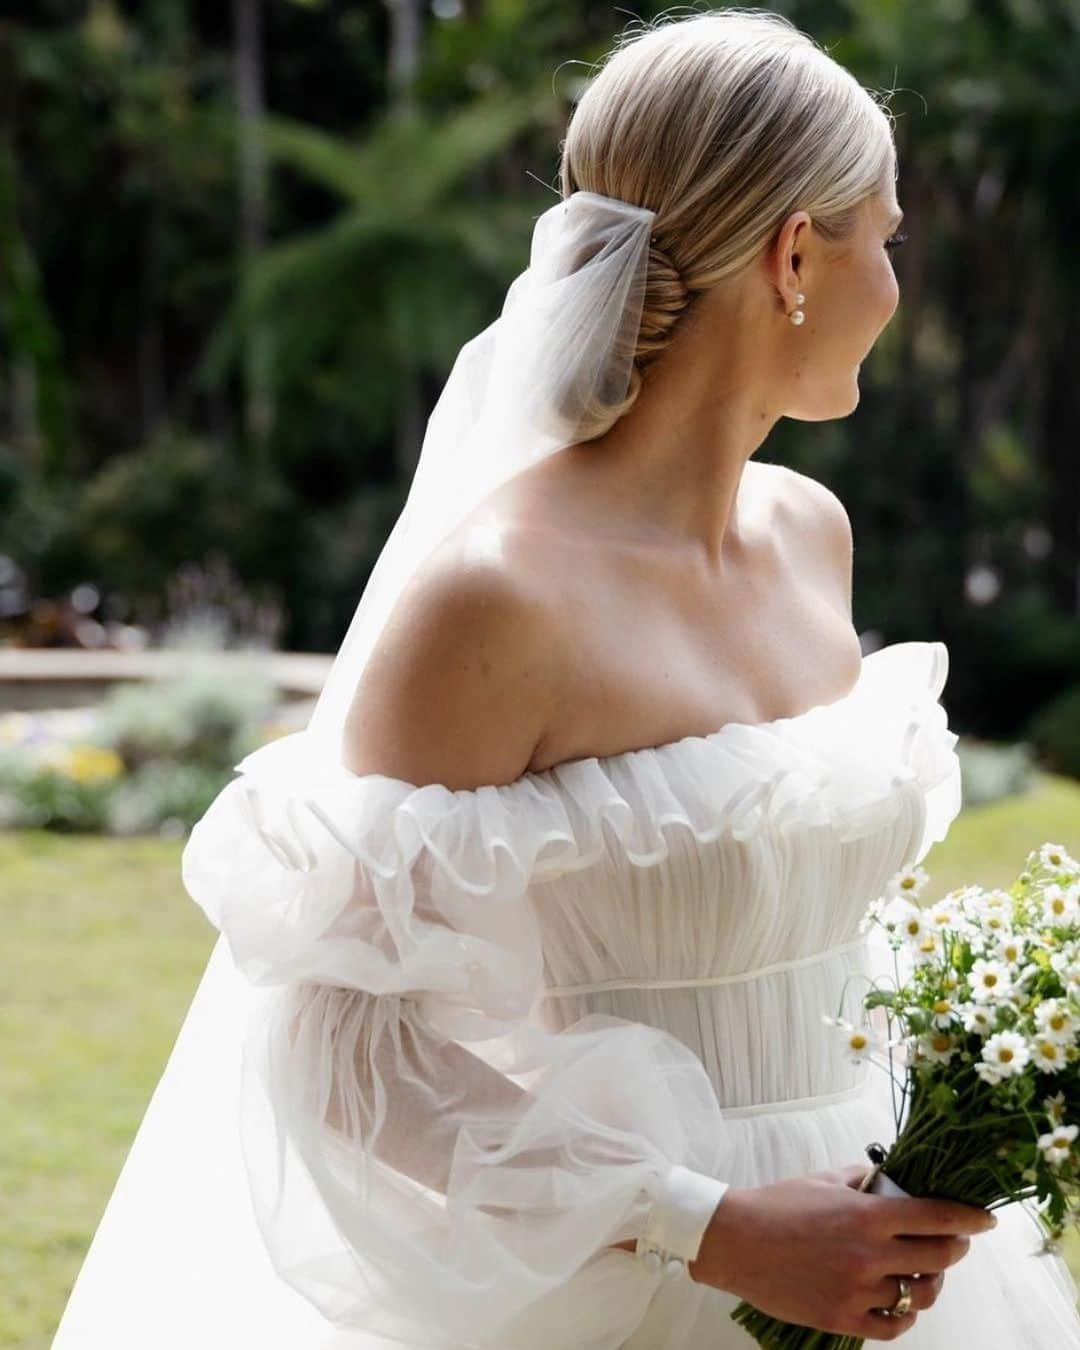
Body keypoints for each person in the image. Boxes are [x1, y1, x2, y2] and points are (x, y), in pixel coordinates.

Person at [51, 10, 1080, 1349]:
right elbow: (341, 1057)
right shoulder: (494, 602)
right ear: (793, 258)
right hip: (636, 1275)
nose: (900, 279)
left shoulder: (808, 537)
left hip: (885, 1243)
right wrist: (717, 1226)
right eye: (887, 237)